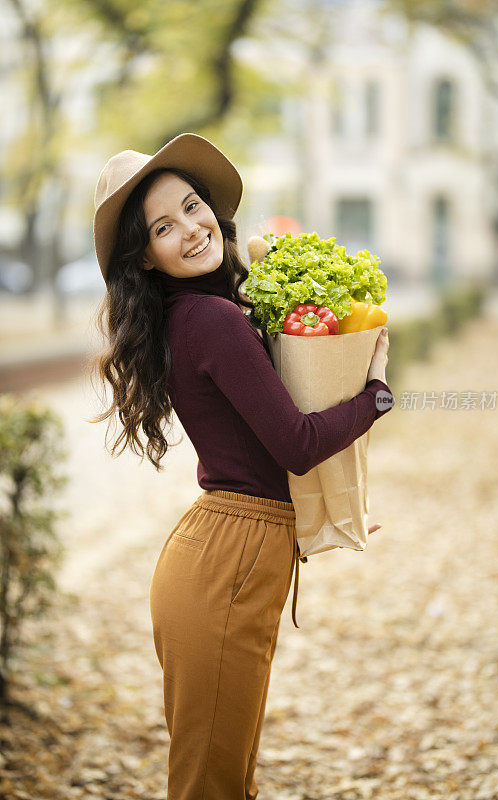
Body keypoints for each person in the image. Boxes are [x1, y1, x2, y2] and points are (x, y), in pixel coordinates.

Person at [90, 133, 393, 800]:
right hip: (226, 562)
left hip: (223, 553)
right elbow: (295, 443)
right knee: (212, 784)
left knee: (226, 777)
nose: (191, 230)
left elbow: (258, 449)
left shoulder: (195, 316)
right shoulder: (213, 321)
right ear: (145, 255)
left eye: (192, 207)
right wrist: (375, 395)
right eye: (163, 228)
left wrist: (326, 509)